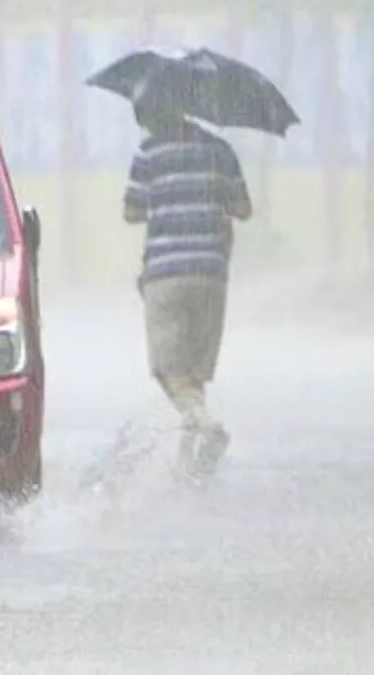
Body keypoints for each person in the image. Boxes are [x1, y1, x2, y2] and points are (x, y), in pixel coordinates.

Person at [123, 101, 252, 481]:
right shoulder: (219, 150)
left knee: (169, 369)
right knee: (193, 372)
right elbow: (243, 208)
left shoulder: (149, 154)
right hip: (212, 273)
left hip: (166, 273)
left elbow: (131, 212)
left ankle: (206, 426)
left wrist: (163, 198)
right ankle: (189, 464)